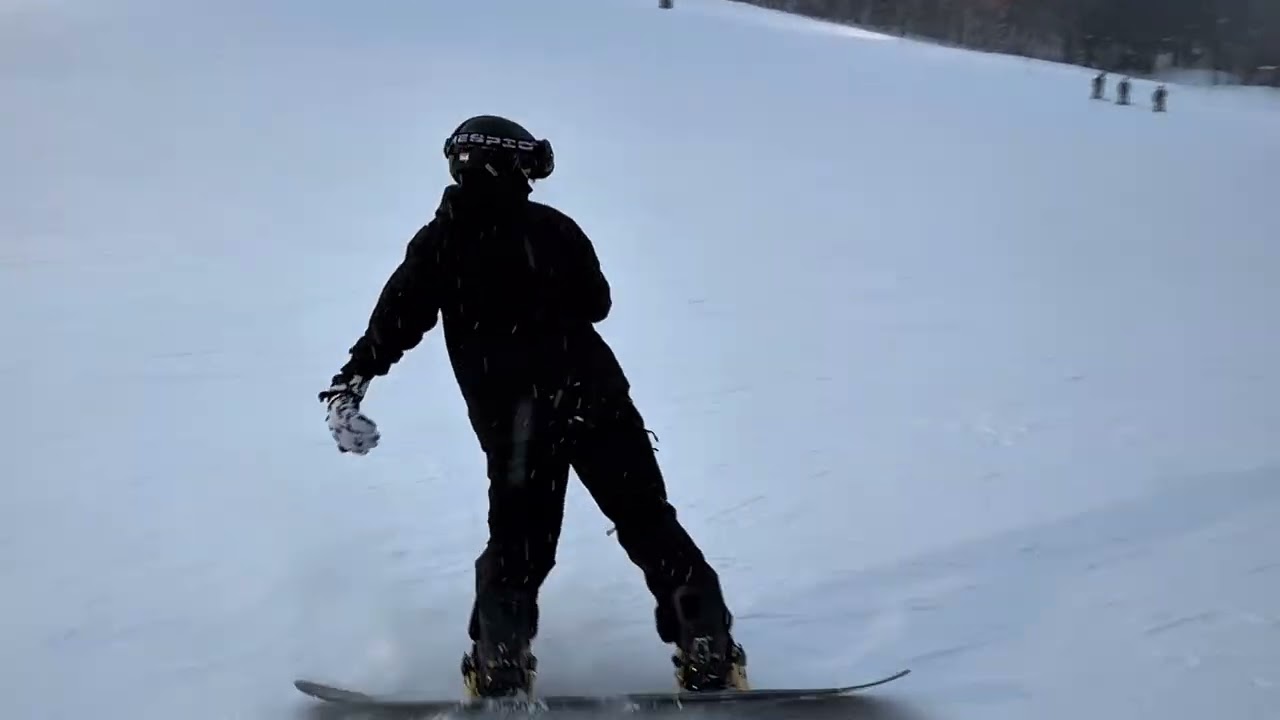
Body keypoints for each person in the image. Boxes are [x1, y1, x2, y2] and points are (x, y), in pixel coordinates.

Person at [318, 114, 748, 698]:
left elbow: (395, 319)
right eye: (528, 165)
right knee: (648, 523)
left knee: (519, 546)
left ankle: (501, 660)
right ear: (506, 165)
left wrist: (352, 382)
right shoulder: (551, 229)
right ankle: (707, 647)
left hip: (516, 424)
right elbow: (597, 303)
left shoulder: (440, 243)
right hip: (595, 404)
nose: (531, 177)